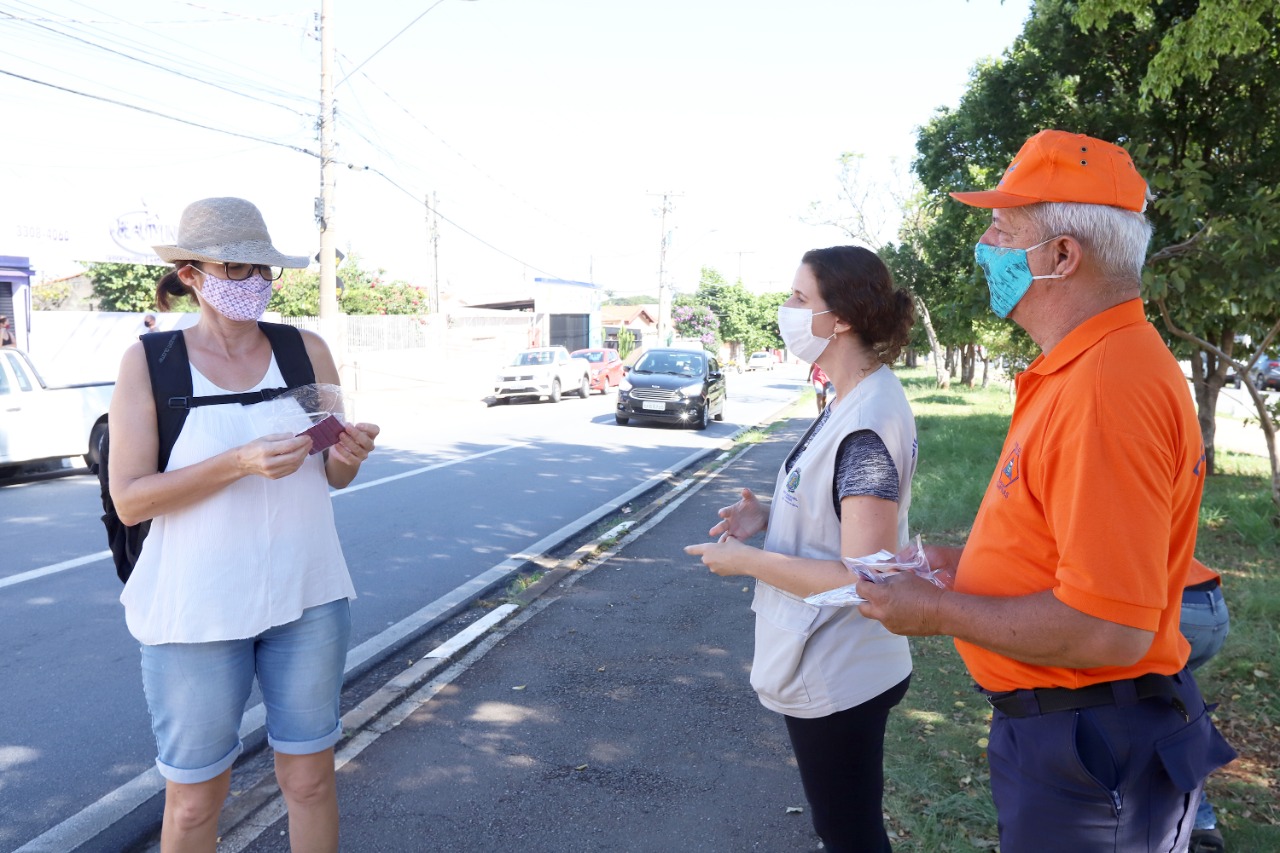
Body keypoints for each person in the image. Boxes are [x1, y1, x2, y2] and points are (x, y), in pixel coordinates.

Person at [854, 130, 1236, 851]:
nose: (983, 244)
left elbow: (1108, 626)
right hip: (1074, 735)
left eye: (1003, 228)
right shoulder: (1087, 365)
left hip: (1092, 753)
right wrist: (965, 563)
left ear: (1063, 256)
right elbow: (1073, 550)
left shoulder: (1105, 388)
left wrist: (938, 609)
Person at [108, 197, 380, 853]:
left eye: (261, 267)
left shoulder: (304, 348)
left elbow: (332, 474)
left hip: (307, 597)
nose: (251, 281)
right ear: (192, 274)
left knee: (311, 780)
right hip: (194, 611)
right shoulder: (150, 362)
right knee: (196, 802)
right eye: (233, 267)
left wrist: (349, 455)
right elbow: (131, 500)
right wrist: (236, 462)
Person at [685, 245, 917, 853]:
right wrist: (768, 515)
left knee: (847, 832)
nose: (785, 309)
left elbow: (864, 578)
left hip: (840, 668)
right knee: (840, 823)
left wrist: (745, 562)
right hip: (837, 658)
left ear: (838, 318)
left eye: (798, 298)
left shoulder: (866, 419)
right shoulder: (850, 396)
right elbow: (838, 505)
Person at [1182, 559, 1231, 853]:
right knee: (1174, 713)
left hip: (1178, 607)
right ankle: (1203, 827)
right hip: (1211, 603)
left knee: (1146, 713)